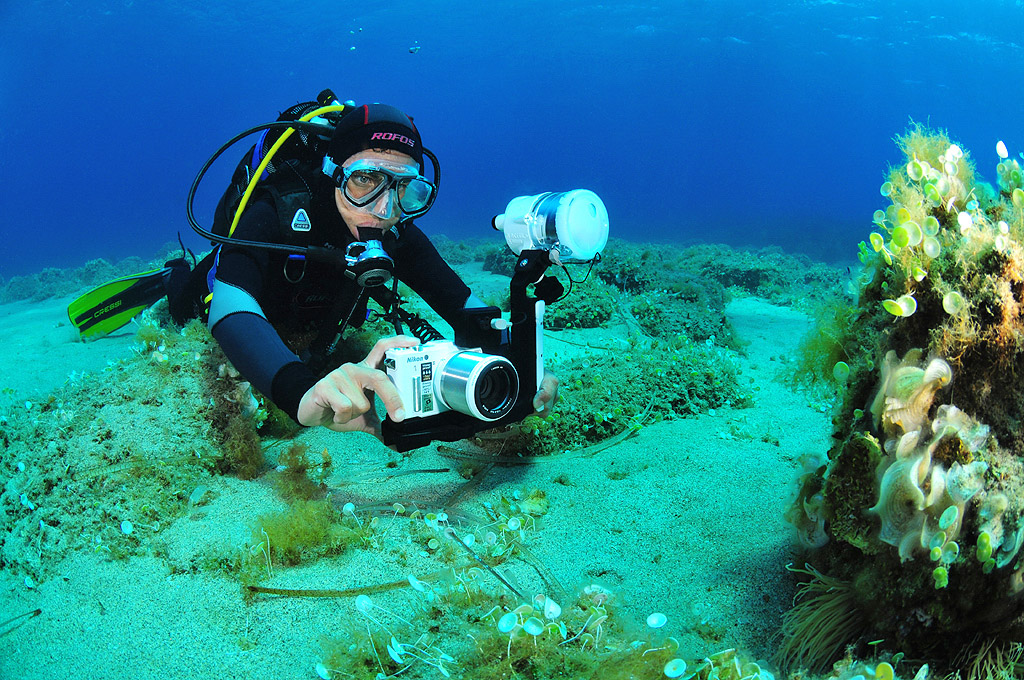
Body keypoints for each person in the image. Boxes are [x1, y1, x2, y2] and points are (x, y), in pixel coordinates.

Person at [168, 102, 558, 439]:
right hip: (244, 301)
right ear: (333, 171)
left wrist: (520, 361)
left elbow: (467, 308)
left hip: (316, 324)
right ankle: (172, 274)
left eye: (404, 188)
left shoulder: (397, 231)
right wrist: (301, 393)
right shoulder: (281, 208)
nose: (384, 209)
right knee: (182, 305)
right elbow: (229, 303)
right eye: (365, 179)